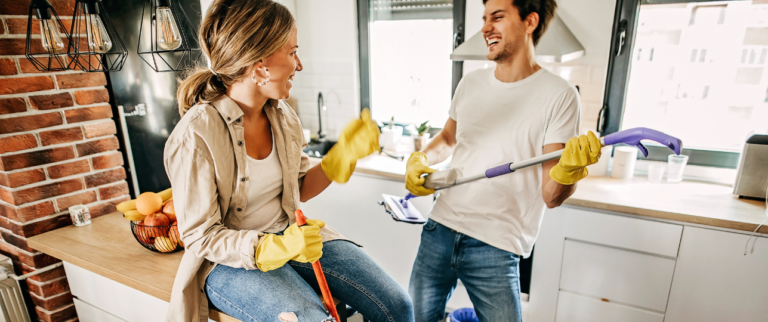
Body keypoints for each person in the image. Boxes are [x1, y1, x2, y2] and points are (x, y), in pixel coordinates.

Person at [164, 1, 414, 321]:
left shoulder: (283, 116)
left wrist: (340, 158)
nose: (299, 64)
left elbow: (298, 189)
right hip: (228, 262)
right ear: (259, 63)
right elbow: (201, 237)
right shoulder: (196, 137)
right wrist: (270, 249)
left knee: (397, 305)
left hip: (292, 236)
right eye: (292, 52)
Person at [405, 0, 602, 321]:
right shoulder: (471, 83)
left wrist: (570, 172)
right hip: (440, 228)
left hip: (496, 245)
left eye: (497, 17)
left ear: (530, 21)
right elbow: (448, 139)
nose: (485, 27)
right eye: (484, 18)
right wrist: (420, 158)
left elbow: (552, 195)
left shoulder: (560, 95)